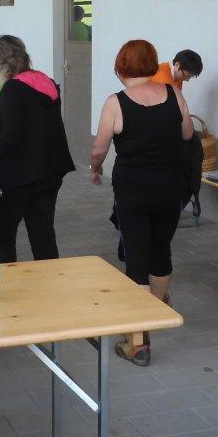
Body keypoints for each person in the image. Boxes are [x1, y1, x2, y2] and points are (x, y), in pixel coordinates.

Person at [90, 40, 192, 366]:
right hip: (169, 186)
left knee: (136, 258)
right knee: (160, 250)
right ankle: (154, 313)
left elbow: (99, 148)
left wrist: (95, 168)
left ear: (121, 66)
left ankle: (138, 341)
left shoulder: (116, 102)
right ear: (152, 64)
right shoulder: (173, 94)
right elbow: (187, 133)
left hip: (133, 189)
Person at [0, 35, 74, 263]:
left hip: (20, 174)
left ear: (2, 64)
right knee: (43, 233)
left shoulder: (12, 88)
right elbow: (32, 120)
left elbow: (10, 137)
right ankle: (52, 279)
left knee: (5, 234)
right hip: (50, 170)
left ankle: (8, 279)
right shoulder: (45, 81)